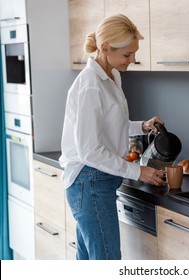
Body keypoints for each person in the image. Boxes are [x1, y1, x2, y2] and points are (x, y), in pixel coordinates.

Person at [59, 14, 165, 260]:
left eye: (134, 53)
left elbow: (110, 125)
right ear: (105, 48)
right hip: (89, 180)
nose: (133, 60)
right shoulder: (90, 85)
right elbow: (90, 151)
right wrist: (138, 171)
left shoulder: (112, 76)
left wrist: (143, 125)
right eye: (127, 54)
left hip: (98, 180)